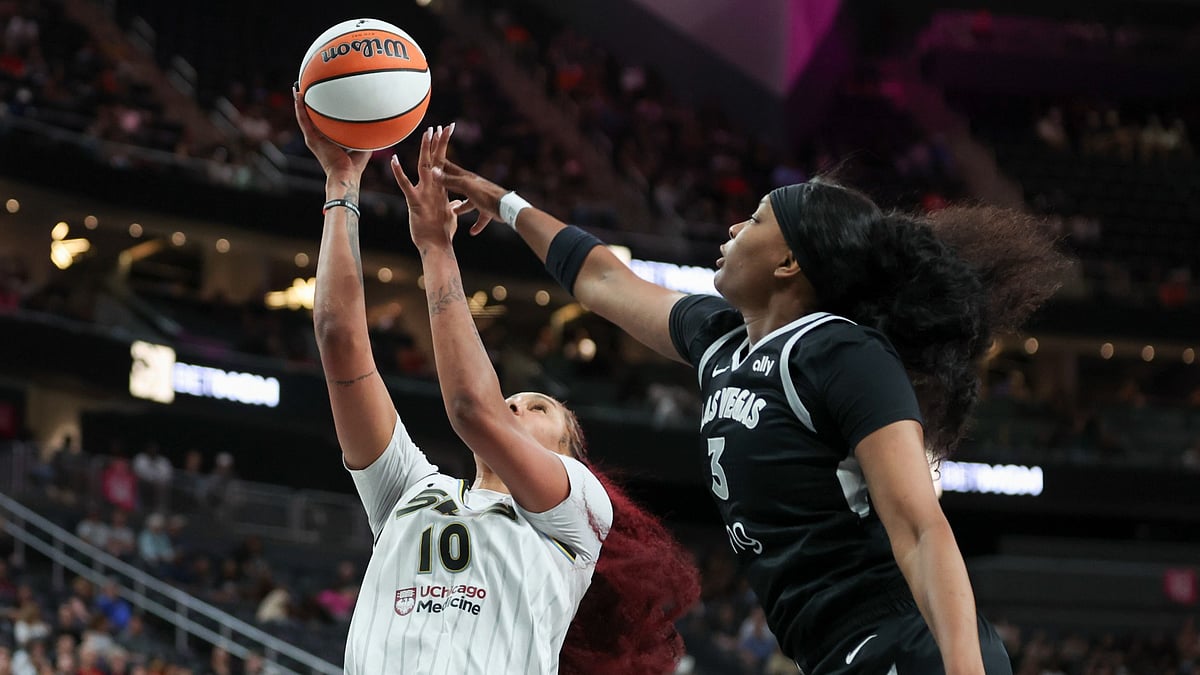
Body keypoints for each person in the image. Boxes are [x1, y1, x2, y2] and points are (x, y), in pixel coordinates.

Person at [432, 156, 1070, 674]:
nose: (735, 228)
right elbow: (602, 281)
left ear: (789, 264)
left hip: (902, 640)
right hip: (832, 653)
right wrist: (504, 203)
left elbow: (920, 529)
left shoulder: (841, 351)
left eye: (757, 219)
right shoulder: (720, 340)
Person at [294, 96, 698, 675]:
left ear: (567, 458)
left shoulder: (576, 516)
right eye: (513, 398)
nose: (514, 404)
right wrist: (341, 185)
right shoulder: (406, 490)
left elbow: (471, 408)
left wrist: (436, 247)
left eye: (537, 407)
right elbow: (338, 340)